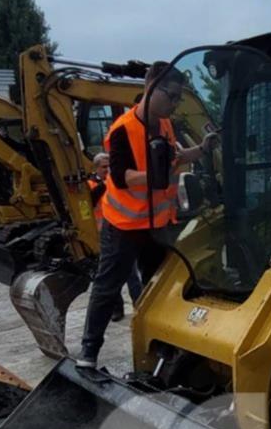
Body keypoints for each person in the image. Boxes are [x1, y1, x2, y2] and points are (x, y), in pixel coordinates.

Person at [75, 62, 217, 368]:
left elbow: (176, 158)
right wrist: (154, 176)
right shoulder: (123, 130)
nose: (175, 104)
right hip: (124, 226)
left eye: (178, 98)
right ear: (151, 88)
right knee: (108, 286)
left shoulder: (165, 125)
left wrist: (202, 149)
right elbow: (121, 176)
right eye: (171, 96)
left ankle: (163, 347)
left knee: (158, 287)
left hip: (158, 225)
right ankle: (88, 352)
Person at [88, 152, 142, 321]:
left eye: (109, 166)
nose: (107, 169)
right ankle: (117, 309)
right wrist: (106, 184)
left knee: (131, 273)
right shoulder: (90, 184)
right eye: (104, 167)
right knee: (111, 276)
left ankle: (140, 305)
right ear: (96, 168)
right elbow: (90, 201)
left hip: (121, 231)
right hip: (102, 236)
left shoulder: (119, 181)